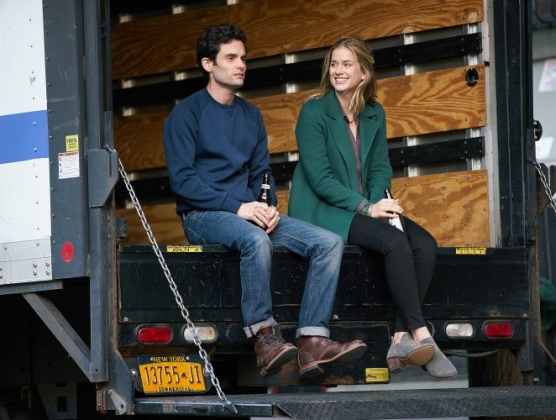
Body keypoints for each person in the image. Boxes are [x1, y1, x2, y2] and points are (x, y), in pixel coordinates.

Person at [163, 24, 366, 380]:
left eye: (243, 58)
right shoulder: (186, 115)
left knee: (329, 243)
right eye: (231, 58)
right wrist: (238, 207)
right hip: (203, 215)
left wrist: (268, 206)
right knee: (255, 240)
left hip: (251, 213)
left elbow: (261, 173)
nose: (240, 64)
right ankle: (263, 336)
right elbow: (183, 182)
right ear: (208, 64)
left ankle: (312, 340)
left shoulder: (251, 115)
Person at [288, 37, 457, 378]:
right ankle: (421, 334)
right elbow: (320, 179)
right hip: (325, 210)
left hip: (366, 206)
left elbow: (380, 168)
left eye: (346, 64)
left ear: (364, 73)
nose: (338, 70)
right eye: (334, 64)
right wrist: (368, 208)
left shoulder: (374, 113)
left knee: (425, 245)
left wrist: (383, 204)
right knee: (394, 242)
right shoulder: (314, 111)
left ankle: (400, 337)